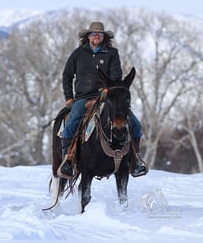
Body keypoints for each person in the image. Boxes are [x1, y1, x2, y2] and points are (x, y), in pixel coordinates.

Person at [58, 21, 148, 179]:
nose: (97, 36)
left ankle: (135, 161)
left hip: (106, 96)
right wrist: (69, 98)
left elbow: (116, 74)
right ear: (88, 36)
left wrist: (106, 89)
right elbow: (67, 75)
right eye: (93, 34)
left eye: (100, 34)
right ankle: (68, 160)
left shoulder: (112, 53)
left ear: (104, 37)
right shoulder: (78, 54)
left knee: (135, 125)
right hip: (83, 97)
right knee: (72, 123)